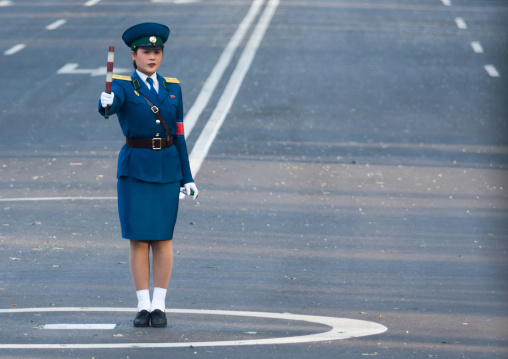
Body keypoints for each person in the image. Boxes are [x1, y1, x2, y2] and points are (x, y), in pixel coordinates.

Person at [98, 22, 198, 328]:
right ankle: (142, 305)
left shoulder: (173, 88)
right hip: (135, 169)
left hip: (168, 167)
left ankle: (160, 305)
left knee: (163, 239)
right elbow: (110, 108)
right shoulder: (123, 86)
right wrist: (105, 103)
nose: (152, 57)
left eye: (157, 52)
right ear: (134, 55)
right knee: (139, 240)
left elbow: (179, 133)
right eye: (146, 52)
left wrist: (188, 176)